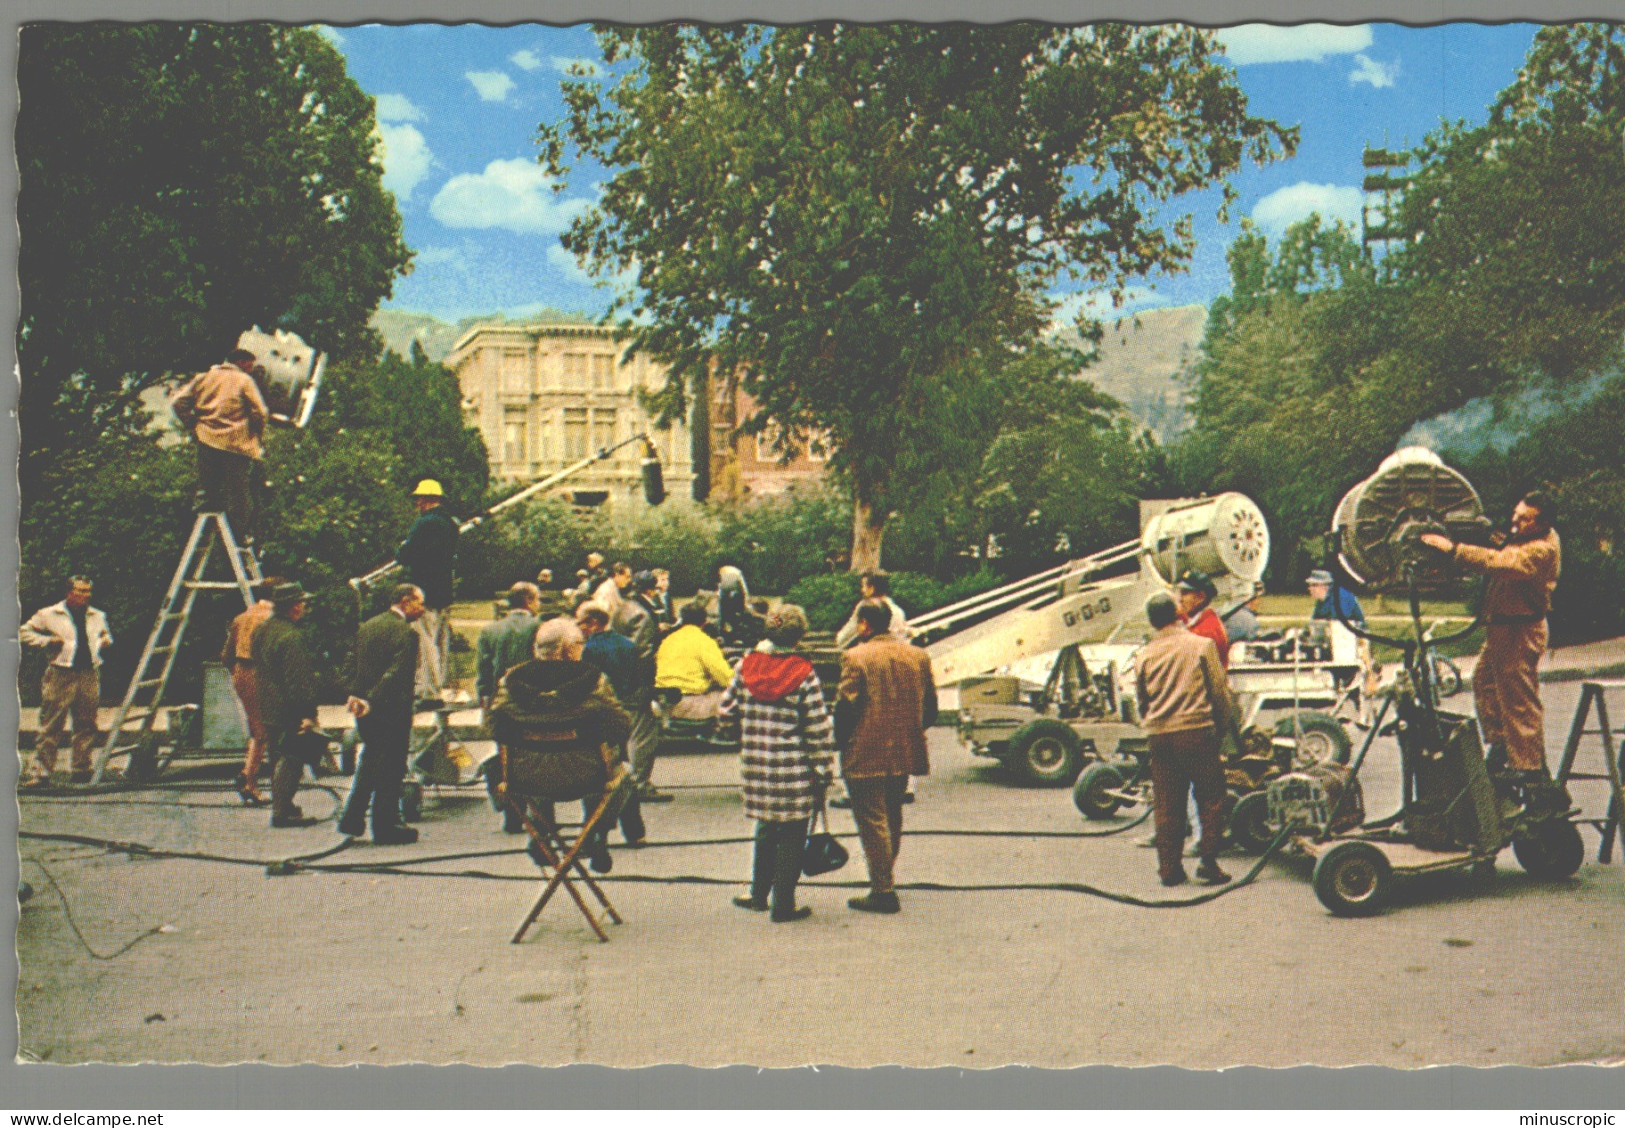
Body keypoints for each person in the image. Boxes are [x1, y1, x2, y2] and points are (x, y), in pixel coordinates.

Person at [1421, 492, 1562, 791]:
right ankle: (1501, 744)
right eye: (1516, 513)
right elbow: (1501, 547)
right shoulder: (1525, 536)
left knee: (1518, 698)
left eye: (1524, 518)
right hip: (1503, 627)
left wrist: (1454, 549)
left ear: (1541, 523)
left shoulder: (1541, 549)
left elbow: (1499, 562)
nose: (1516, 521)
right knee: (1485, 684)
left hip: (1520, 630)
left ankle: (1528, 766)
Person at [716, 604, 835, 923]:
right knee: (793, 832)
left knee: (766, 827)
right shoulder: (803, 673)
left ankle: (758, 895)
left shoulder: (746, 666)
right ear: (799, 636)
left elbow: (725, 711)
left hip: (756, 764)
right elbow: (818, 727)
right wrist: (824, 769)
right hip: (793, 766)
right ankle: (784, 903)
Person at [487, 618, 632, 873]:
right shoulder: (594, 680)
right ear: (567, 649)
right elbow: (621, 724)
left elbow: (494, 726)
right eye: (579, 643)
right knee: (623, 775)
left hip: (526, 779)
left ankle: (541, 834)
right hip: (587, 776)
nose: (583, 648)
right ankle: (595, 832)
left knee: (535, 762)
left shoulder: (511, 681)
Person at [835, 601, 937, 914]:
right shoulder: (917, 655)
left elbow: (846, 707)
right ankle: (885, 875)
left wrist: (841, 743)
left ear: (865, 624)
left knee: (871, 818)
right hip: (904, 746)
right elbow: (930, 706)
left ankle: (882, 889)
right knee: (892, 812)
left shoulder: (856, 656)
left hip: (865, 747)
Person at [1135, 592, 1237, 888]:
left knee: (1167, 802)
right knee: (1211, 798)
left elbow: (1141, 699)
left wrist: (1152, 723)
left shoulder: (1144, 654)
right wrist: (1220, 727)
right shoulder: (1201, 646)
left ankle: (1169, 868)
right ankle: (1208, 862)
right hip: (1196, 731)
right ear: (1179, 615)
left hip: (1160, 736)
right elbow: (1219, 692)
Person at [340, 584, 426, 845]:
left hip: (365, 708)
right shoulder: (407, 634)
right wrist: (372, 699)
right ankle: (384, 824)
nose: (422, 609)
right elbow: (396, 673)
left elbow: (352, 663)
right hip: (391, 709)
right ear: (405, 601)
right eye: (419, 603)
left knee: (371, 759)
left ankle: (354, 817)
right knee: (391, 766)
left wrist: (356, 694)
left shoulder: (368, 626)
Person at [20, 576, 113, 787]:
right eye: (80, 591)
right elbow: (24, 632)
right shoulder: (49, 614)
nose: (85, 595)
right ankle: (42, 772)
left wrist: (105, 641)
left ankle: (81, 768)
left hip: (88, 672)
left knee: (86, 723)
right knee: (51, 723)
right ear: (69, 592)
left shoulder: (97, 615)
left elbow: (105, 635)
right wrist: (46, 641)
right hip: (60, 673)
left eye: (88, 591)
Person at [169, 347, 268, 543]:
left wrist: (193, 425)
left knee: (208, 491)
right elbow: (260, 411)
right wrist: (256, 433)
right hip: (236, 443)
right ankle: (239, 536)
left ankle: (202, 536)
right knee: (238, 493)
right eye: (249, 364)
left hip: (206, 440)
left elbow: (178, 403)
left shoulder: (204, 378)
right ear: (240, 362)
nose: (251, 369)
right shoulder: (243, 381)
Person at [575, 604, 647, 845]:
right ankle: (634, 830)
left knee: (601, 771)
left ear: (594, 623)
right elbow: (639, 677)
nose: (578, 629)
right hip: (626, 707)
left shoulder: (588, 650)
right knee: (622, 767)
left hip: (599, 713)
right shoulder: (628, 645)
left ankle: (596, 831)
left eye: (581, 623)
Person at [252, 583, 322, 828]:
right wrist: (307, 713)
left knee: (276, 757)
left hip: (268, 703)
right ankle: (281, 812)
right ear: (294, 606)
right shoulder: (292, 637)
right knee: (292, 759)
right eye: (301, 602)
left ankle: (284, 804)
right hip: (288, 708)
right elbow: (298, 680)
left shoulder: (262, 630)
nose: (304, 606)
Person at [220, 576, 286, 805]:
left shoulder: (241, 618)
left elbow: (225, 655)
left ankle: (248, 776)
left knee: (258, 730)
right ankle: (250, 779)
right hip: (261, 672)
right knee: (269, 730)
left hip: (241, 671)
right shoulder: (274, 619)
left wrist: (238, 673)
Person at [396, 479, 459, 698]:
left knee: (425, 641)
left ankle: (430, 691)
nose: (417, 504)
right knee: (440, 641)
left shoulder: (423, 524)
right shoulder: (450, 524)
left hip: (423, 592)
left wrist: (403, 547)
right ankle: (438, 683)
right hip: (444, 590)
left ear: (425, 499)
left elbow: (404, 556)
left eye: (419, 499)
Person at [614, 570, 670, 803]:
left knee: (632, 732)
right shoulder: (644, 615)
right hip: (638, 682)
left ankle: (630, 780)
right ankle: (638, 783)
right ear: (651, 590)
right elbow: (641, 653)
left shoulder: (623, 607)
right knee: (644, 734)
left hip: (620, 679)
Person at [655, 603, 736, 723]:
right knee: (730, 696)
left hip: (664, 703)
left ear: (681, 620)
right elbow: (725, 679)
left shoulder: (668, 640)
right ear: (704, 622)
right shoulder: (704, 641)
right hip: (690, 704)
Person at [477, 583, 543, 709]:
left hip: (499, 698)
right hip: (532, 699)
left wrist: (484, 695)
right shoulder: (540, 627)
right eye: (537, 599)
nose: (539, 604)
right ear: (528, 600)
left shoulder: (490, 630)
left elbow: (484, 668)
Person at [834, 572, 910, 649]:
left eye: (863, 586)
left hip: (868, 653)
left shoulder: (865, 608)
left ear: (871, 589)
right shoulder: (899, 612)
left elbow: (847, 634)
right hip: (894, 653)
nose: (862, 590)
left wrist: (839, 639)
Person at [1174, 569, 1229, 668]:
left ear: (1201, 597)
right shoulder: (1195, 619)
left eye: (1185, 593)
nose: (1180, 599)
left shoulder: (1208, 631)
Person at [715, 564, 752, 644]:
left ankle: (735, 636)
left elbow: (743, 588)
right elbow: (720, 586)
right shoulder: (727, 573)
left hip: (735, 595)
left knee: (733, 617)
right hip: (728, 595)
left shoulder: (735, 573)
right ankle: (723, 635)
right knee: (724, 616)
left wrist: (746, 600)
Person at [651, 568, 677, 634]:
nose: (666, 583)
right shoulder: (652, 598)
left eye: (667, 579)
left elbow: (671, 617)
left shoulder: (667, 596)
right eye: (662, 580)